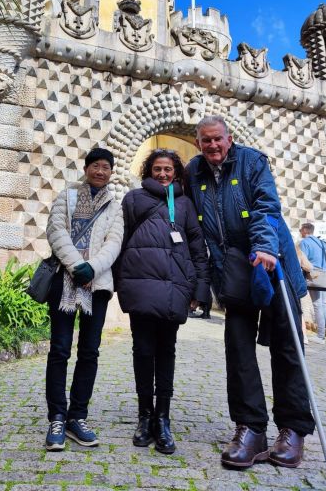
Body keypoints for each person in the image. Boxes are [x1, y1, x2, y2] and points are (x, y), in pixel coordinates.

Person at [184, 116, 315, 469]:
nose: (213, 146)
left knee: (287, 349)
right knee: (238, 350)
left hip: (272, 261)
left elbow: (266, 207)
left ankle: (293, 429)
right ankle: (251, 428)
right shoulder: (193, 171)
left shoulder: (252, 161)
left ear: (229, 139)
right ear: (198, 143)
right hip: (231, 269)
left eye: (218, 140)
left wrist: (265, 247)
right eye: (206, 141)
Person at [115, 148, 211, 454]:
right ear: (148, 170)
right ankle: (145, 417)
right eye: (158, 169)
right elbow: (120, 239)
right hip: (141, 285)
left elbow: (197, 247)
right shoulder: (133, 199)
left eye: (168, 169)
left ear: (177, 172)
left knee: (166, 352)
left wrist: (200, 290)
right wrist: (119, 282)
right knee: (143, 351)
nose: (163, 174)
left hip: (173, 288)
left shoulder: (184, 204)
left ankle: (163, 418)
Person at [44, 148, 124, 451]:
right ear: (86, 167)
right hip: (63, 280)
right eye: (95, 166)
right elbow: (56, 231)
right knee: (59, 351)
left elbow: (114, 242)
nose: (100, 171)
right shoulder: (67, 196)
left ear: (111, 172)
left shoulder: (115, 208)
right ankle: (57, 418)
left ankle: (78, 417)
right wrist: (77, 266)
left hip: (98, 284)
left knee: (89, 351)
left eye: (106, 167)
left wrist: (93, 268)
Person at [299, 223, 326, 345]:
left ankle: (321, 336)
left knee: (317, 305)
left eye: (301, 229)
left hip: (315, 276)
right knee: (323, 304)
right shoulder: (322, 243)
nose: (300, 231)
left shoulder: (304, 242)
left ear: (305, 231)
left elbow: (304, 262)